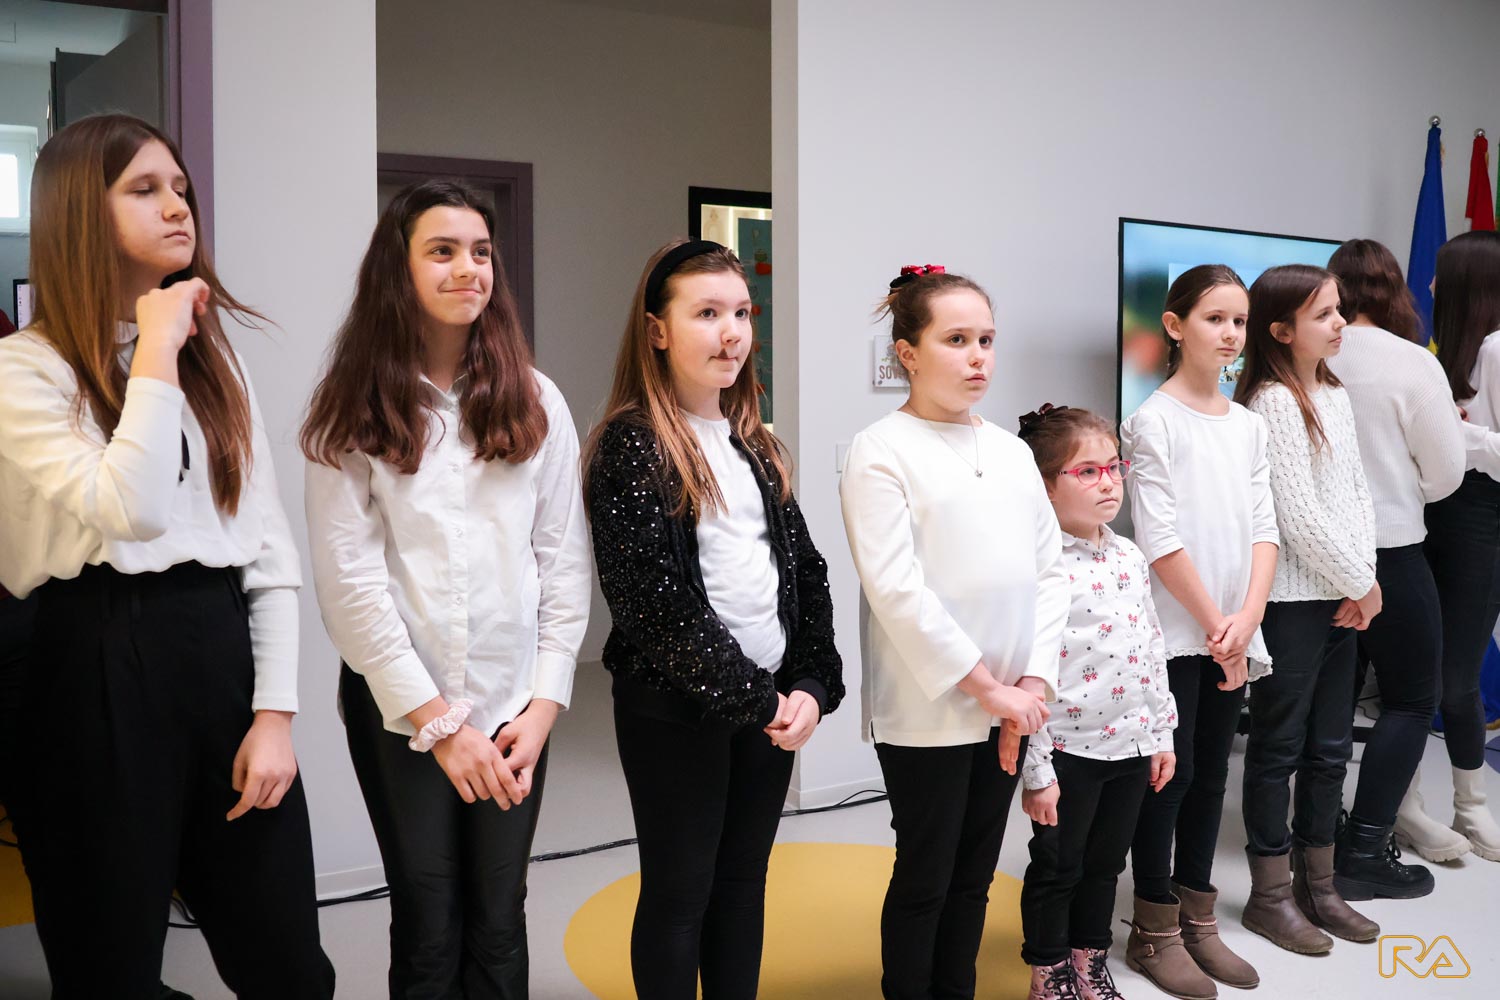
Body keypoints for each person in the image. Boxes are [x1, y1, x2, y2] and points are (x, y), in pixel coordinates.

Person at [0, 113, 333, 1000]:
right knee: (108, 965)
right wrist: (153, 345)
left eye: (180, 187)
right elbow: (131, 509)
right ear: (80, 212)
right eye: (144, 189)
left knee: (290, 966)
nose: (179, 206)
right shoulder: (23, 370)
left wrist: (275, 714)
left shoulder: (215, 362)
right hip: (84, 661)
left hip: (216, 647)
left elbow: (268, 551)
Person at [302, 180, 591, 998]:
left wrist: (544, 706)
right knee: (429, 920)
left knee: (500, 914)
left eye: (481, 252)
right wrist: (438, 725)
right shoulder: (352, 407)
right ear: (398, 269)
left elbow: (564, 563)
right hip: (402, 708)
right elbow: (351, 585)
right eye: (442, 251)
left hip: (512, 706)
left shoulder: (537, 399)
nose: (469, 268)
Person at [582, 239, 843, 999]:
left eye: (741, 313)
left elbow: (806, 572)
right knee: (680, 892)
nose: (731, 334)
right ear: (657, 330)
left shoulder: (754, 444)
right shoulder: (632, 444)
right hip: (678, 711)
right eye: (706, 314)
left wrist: (810, 684)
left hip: (769, 707)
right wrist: (761, 701)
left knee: (741, 884)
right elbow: (654, 603)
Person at [840, 264, 1067, 1000]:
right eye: (956, 339)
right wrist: (987, 689)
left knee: (975, 876)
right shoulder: (880, 448)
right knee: (927, 875)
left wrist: (1030, 684)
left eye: (987, 340)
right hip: (930, 704)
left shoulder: (1011, 451)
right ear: (908, 353)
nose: (977, 358)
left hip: (1012, 703)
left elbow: (1051, 571)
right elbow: (896, 589)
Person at [1121, 264, 1275, 1000]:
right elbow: (1159, 538)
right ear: (1175, 326)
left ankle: (1197, 914)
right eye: (1215, 318)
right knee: (1171, 775)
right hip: (1177, 630)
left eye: (1240, 321)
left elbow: (1265, 528)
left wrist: (1248, 619)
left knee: (1214, 774)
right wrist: (1218, 623)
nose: (1231, 334)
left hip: (1233, 630)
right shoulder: (1152, 420)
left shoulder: (1248, 424)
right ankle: (1152, 925)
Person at [1015, 403, 1178, 1000]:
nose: (1108, 482)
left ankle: (1089, 959)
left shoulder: (1129, 555)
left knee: (1107, 865)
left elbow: (1151, 648)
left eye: (1114, 467)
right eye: (1087, 471)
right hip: (1067, 750)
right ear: (1045, 485)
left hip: (1130, 745)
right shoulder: (1040, 566)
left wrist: (1160, 734)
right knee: (1059, 865)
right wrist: (1037, 771)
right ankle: (1050, 969)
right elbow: (1026, 676)